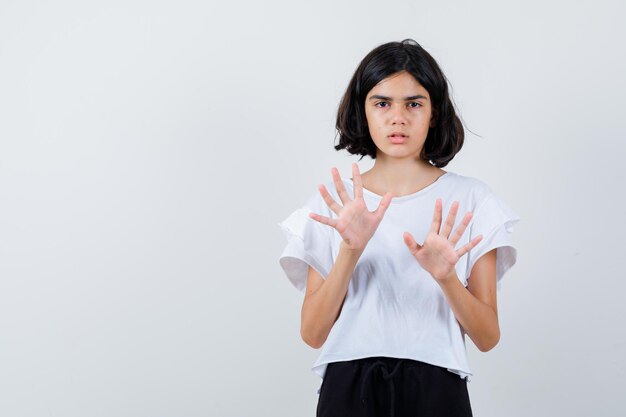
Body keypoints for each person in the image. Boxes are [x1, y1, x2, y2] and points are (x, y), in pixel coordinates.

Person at [277, 39, 521, 417]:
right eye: (382, 103)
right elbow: (312, 333)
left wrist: (447, 277)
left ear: (434, 112)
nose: (398, 117)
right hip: (348, 385)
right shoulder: (338, 205)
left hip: (437, 385)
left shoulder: (472, 200)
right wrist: (350, 251)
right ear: (363, 111)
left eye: (414, 103)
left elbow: (488, 337)